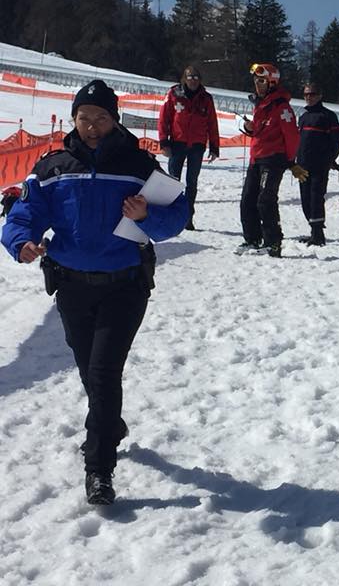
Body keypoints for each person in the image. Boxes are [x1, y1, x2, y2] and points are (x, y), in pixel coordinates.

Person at [1, 79, 189, 505]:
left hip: (125, 285)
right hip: (70, 286)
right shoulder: (53, 166)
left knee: (104, 372)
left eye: (100, 118)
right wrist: (22, 243)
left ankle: (99, 468)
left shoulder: (139, 165)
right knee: (90, 371)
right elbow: (23, 215)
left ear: (114, 119)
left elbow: (177, 213)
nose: (91, 126)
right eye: (84, 119)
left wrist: (148, 215)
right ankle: (110, 424)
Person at [238, 63, 303, 258]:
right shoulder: (261, 105)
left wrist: (290, 161)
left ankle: (273, 242)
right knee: (247, 200)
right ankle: (252, 239)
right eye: (256, 81)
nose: (257, 85)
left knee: (265, 200)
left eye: (261, 81)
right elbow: (261, 133)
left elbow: (292, 136)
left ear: (271, 83)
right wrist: (249, 129)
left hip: (273, 160)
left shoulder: (281, 107)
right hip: (256, 158)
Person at [158, 65, 220, 230]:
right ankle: (171, 215)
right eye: (190, 77)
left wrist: (214, 146)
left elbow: (212, 123)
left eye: (196, 77)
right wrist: (163, 142)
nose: (193, 80)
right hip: (177, 144)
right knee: (173, 181)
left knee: (192, 183)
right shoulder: (173, 94)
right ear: (184, 79)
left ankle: (187, 217)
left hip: (197, 146)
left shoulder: (206, 98)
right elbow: (164, 118)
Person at [296, 83, 339, 246]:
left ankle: (318, 234)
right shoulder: (303, 116)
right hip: (302, 165)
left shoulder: (328, 116)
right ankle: (313, 230)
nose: (309, 97)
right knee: (305, 199)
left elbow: (336, 142)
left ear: (320, 96)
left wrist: (328, 161)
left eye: (312, 94)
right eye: (306, 94)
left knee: (316, 198)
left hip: (319, 166)